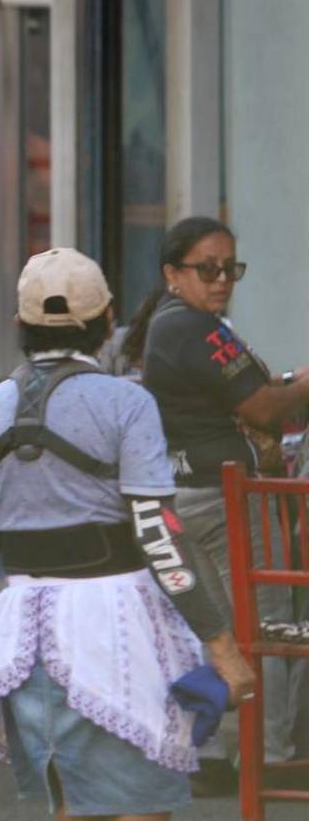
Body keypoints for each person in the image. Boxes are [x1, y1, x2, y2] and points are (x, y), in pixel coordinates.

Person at [0, 247, 256, 819]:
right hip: (115, 630)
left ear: (20, 325)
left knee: (69, 805)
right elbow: (158, 530)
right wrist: (221, 645)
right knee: (140, 806)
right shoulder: (127, 404)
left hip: (19, 634)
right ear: (108, 321)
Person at [123, 216, 309, 788]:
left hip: (189, 492)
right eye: (208, 269)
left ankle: (224, 750)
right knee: (272, 625)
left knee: (222, 628)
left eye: (231, 269)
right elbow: (259, 409)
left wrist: (286, 383)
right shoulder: (192, 326)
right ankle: (275, 756)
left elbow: (242, 392)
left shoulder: (178, 323)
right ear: (173, 274)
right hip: (222, 496)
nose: (223, 279)